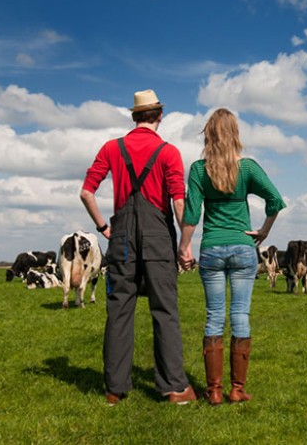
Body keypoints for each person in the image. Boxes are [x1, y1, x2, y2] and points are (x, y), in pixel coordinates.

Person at [80, 89, 195, 406]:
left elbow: (86, 193)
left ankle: (114, 390)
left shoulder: (111, 148)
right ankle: (174, 388)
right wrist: (185, 243)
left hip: (122, 239)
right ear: (160, 116)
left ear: (134, 117)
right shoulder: (169, 152)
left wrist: (104, 226)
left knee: (119, 312)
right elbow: (179, 203)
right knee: (165, 311)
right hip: (158, 236)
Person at [178, 108, 286, 406]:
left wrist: (184, 246)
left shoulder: (199, 170)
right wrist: (263, 230)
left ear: (209, 134)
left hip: (211, 248)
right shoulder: (248, 168)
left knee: (214, 317)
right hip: (242, 248)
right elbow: (276, 200)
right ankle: (237, 390)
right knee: (240, 315)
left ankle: (213, 391)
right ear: (235, 134)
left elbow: (191, 214)